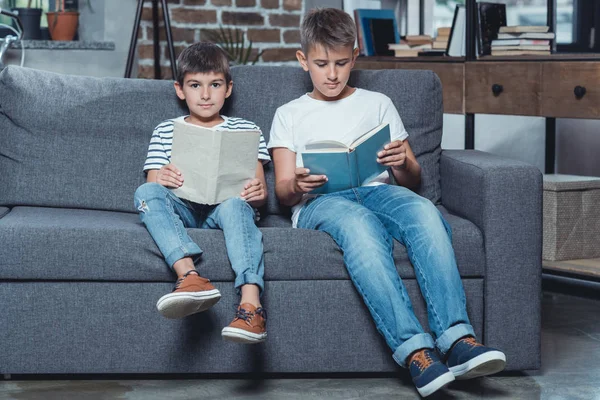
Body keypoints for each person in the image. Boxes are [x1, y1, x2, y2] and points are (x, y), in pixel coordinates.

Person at [267, 8, 506, 397]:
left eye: (342, 63)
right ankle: (416, 353)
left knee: (426, 213)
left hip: (380, 190)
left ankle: (458, 340)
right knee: (361, 229)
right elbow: (282, 192)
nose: (332, 74)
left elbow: (413, 180)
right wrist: (297, 181)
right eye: (322, 63)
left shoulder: (377, 103)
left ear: (355, 56)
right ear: (302, 60)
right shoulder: (289, 114)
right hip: (322, 201)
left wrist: (404, 162)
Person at [134, 42, 269, 344]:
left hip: (224, 209)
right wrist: (163, 177)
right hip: (182, 207)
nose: (205, 95)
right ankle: (190, 277)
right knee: (145, 190)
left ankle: (251, 305)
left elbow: (258, 192)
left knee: (236, 205)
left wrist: (258, 191)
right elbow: (152, 184)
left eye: (215, 85)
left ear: (228, 88)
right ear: (180, 90)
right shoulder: (165, 130)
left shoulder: (247, 129)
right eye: (195, 85)